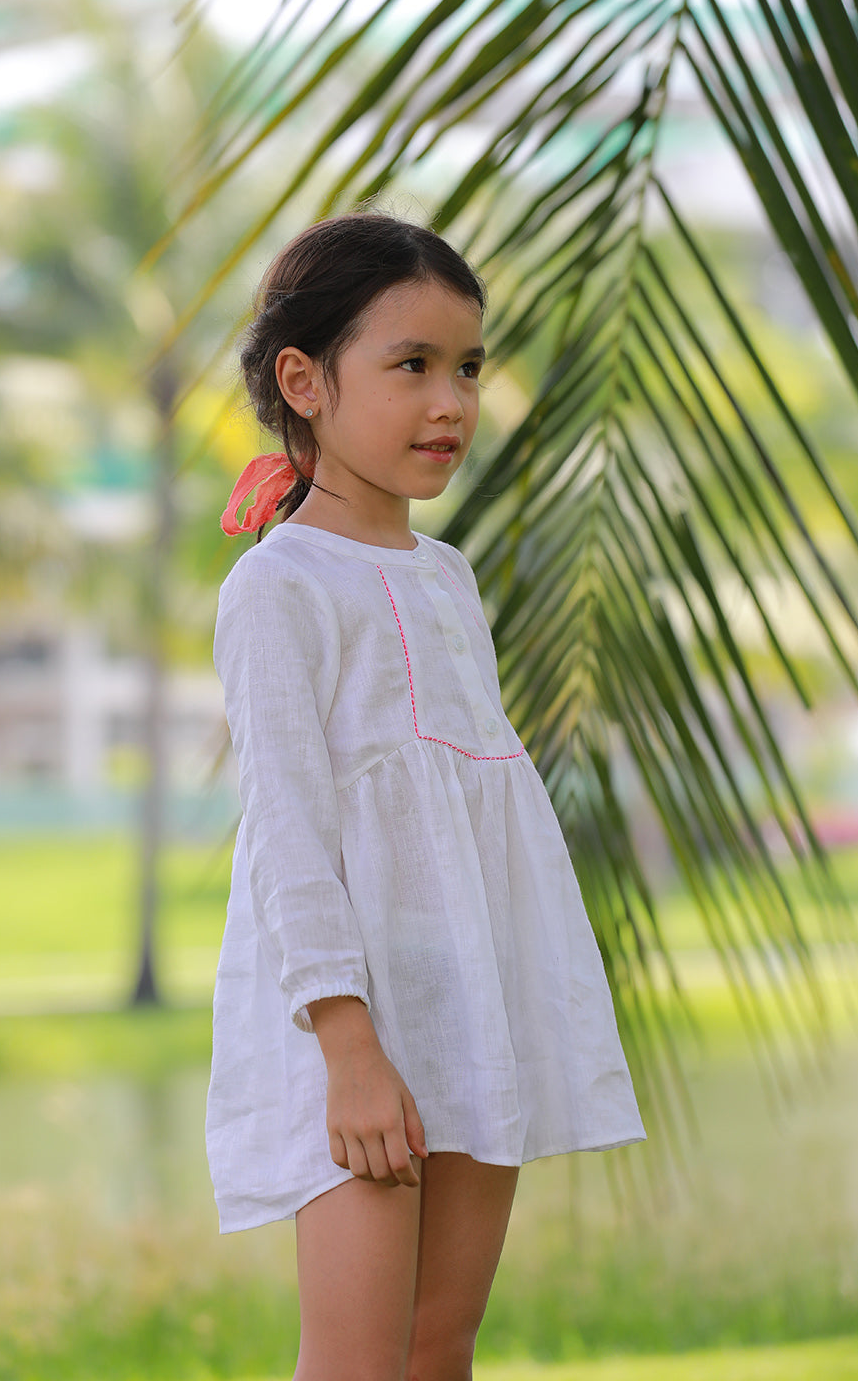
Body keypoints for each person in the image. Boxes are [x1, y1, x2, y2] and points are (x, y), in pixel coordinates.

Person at [207, 213, 644, 1381]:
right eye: (411, 365)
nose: (450, 403)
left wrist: (490, 1004)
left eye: (467, 368)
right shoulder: (279, 588)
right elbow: (289, 830)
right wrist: (348, 1048)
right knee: (356, 1361)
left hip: (464, 1005)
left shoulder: (447, 578)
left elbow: (466, 813)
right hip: (346, 1026)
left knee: (435, 1349)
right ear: (303, 381)